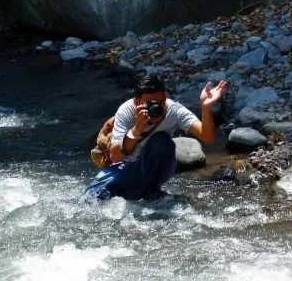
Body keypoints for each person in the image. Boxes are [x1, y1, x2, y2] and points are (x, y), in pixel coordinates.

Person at [86, 74, 229, 200]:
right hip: (127, 166)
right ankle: (141, 192)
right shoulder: (127, 111)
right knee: (92, 198)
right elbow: (116, 157)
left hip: (158, 165)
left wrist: (205, 107)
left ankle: (151, 192)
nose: (157, 108)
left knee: (160, 140)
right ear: (137, 102)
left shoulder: (173, 110)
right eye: (150, 104)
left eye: (160, 102)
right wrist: (137, 129)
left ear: (165, 97)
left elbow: (208, 137)